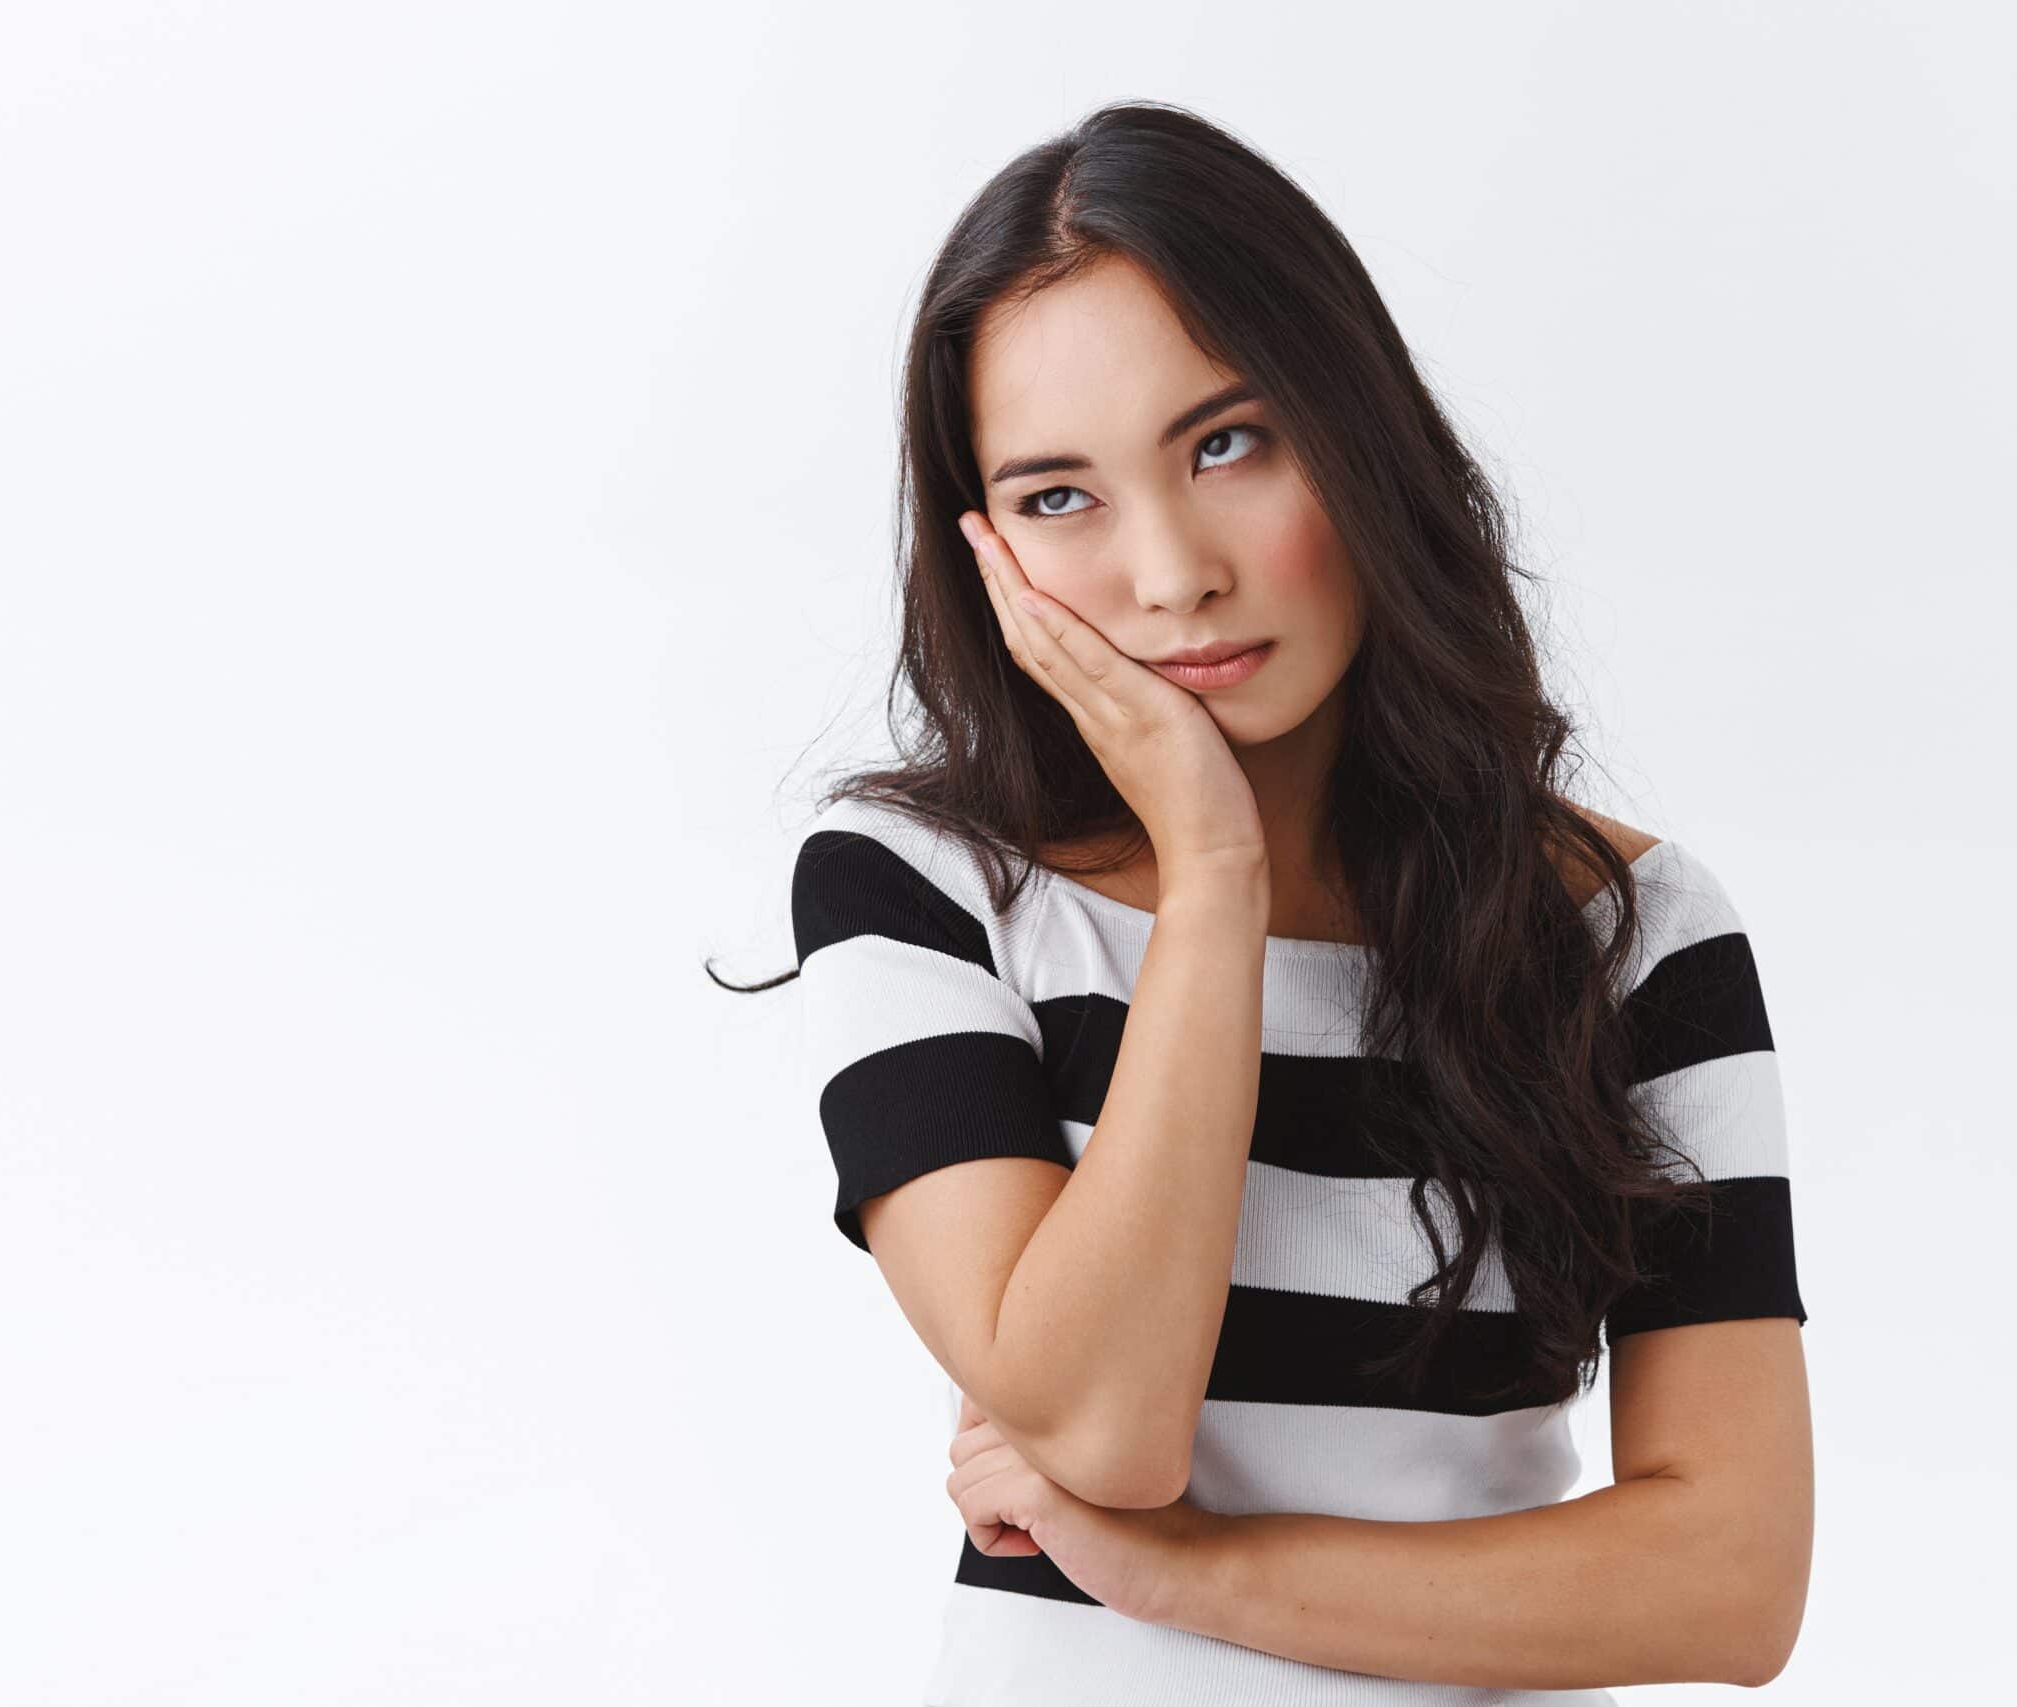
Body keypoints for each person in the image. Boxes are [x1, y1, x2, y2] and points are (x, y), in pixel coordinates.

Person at [737, 102, 1811, 1701]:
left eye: (1227, 443)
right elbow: (1103, 1421)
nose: (1171, 573)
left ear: (1360, 434)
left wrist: (1191, 1573)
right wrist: (1217, 872)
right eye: (1058, 497)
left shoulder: (1626, 932)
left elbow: (1729, 1587)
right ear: (985, 552)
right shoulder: (921, 893)